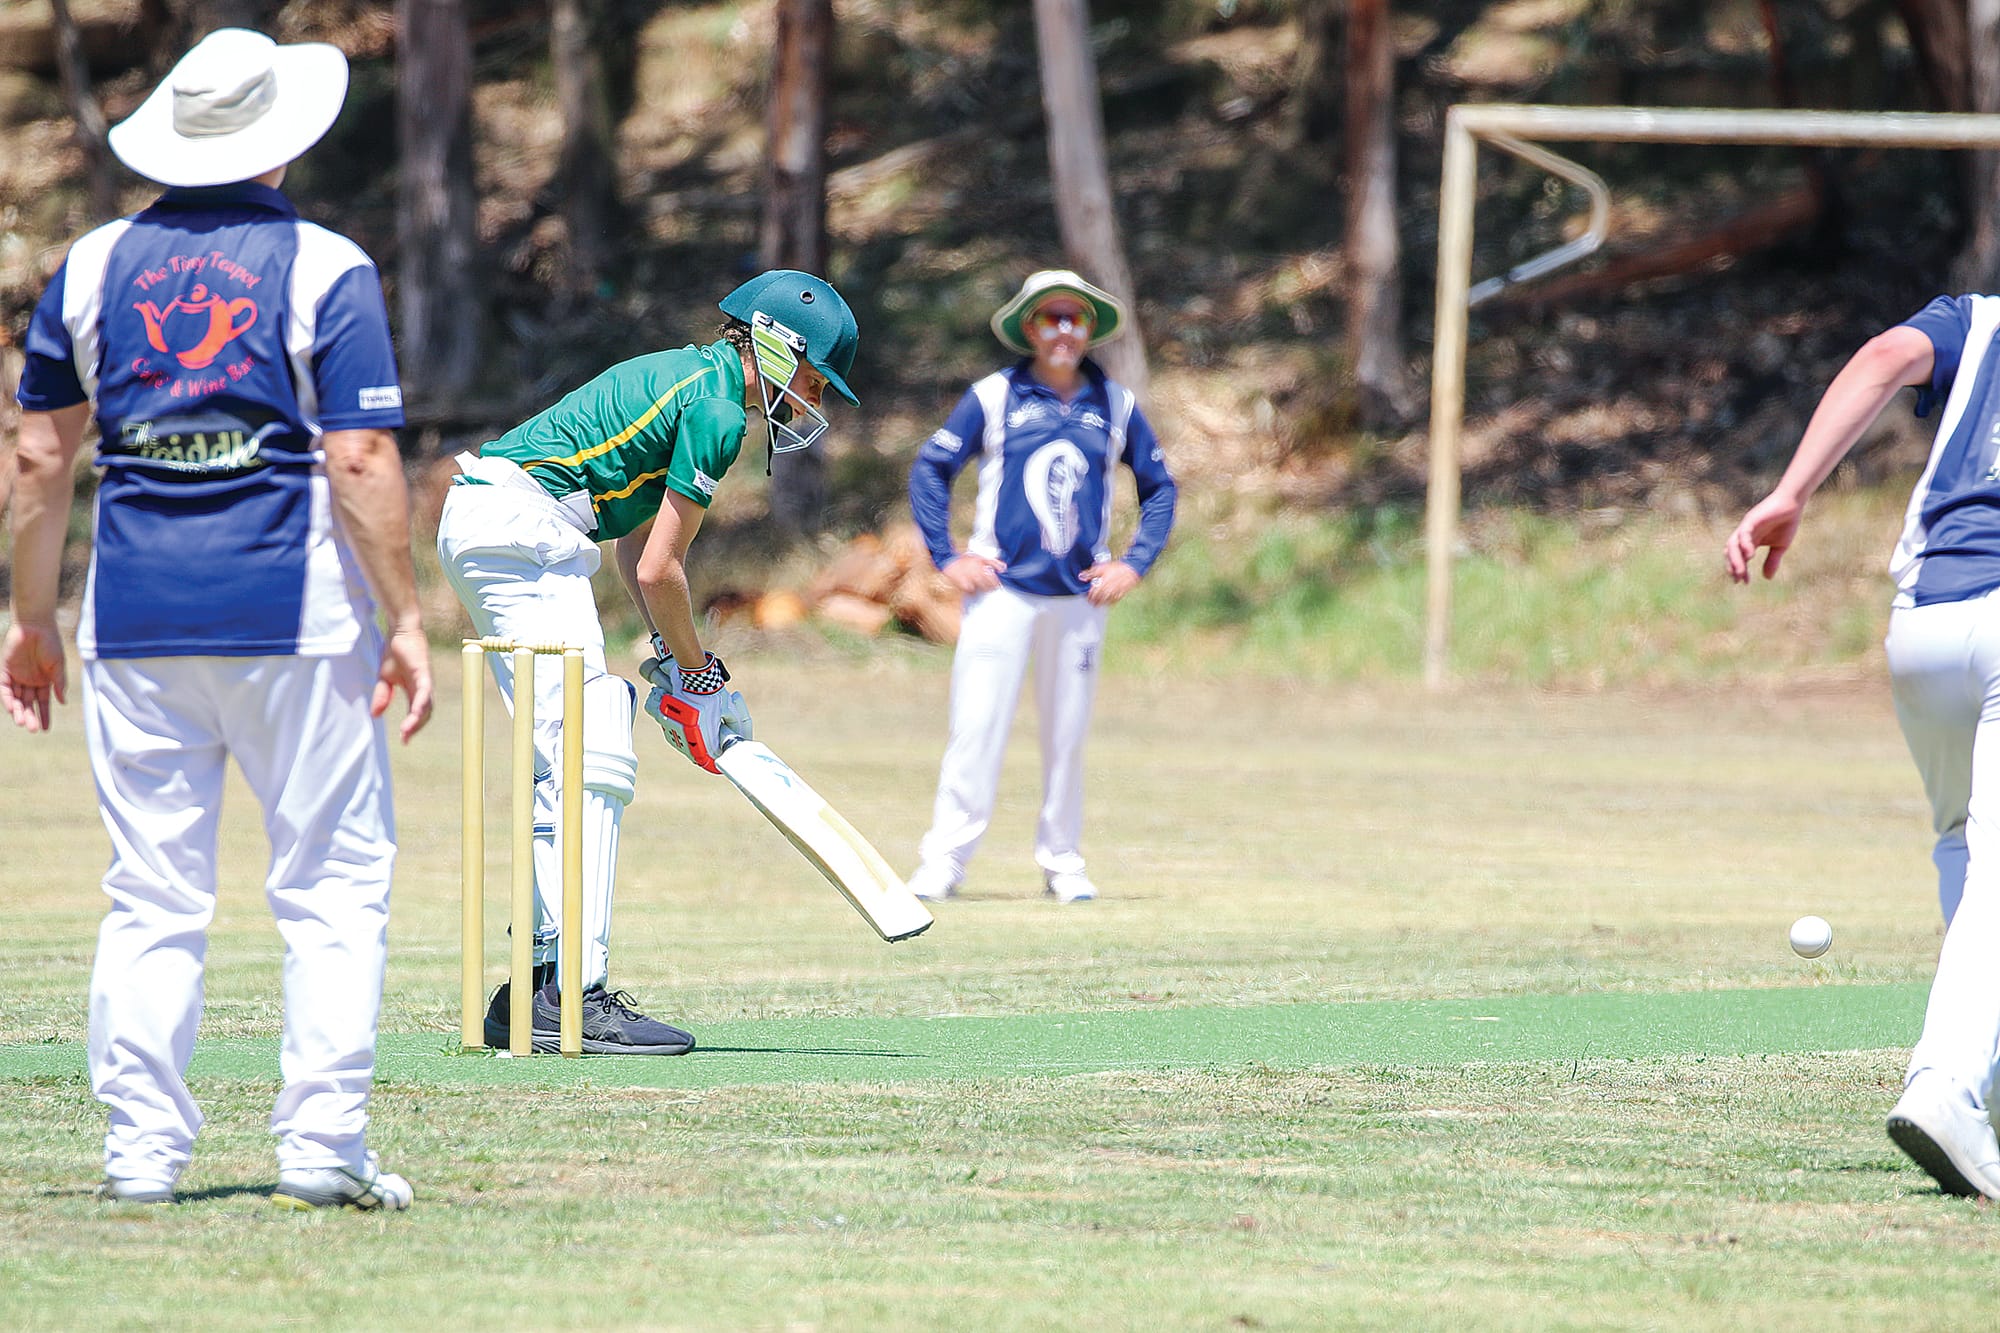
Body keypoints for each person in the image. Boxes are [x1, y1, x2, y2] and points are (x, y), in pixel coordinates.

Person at [1, 29, 431, 1210]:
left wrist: (28, 616)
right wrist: (405, 614)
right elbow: (358, 456)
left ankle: (141, 1153)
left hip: (132, 615)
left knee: (150, 890)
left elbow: (40, 454)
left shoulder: (89, 267)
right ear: (283, 142)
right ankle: (321, 1146)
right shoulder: (324, 264)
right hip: (289, 614)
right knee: (333, 885)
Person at [435, 269, 860, 1053]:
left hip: (496, 516)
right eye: (813, 376)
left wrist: (672, 657)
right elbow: (664, 569)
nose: (813, 399)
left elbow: (636, 553)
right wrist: (699, 676)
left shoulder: (692, 379)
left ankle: (528, 993)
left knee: (563, 755)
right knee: (594, 736)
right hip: (521, 526)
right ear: (775, 344)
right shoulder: (717, 408)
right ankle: (575, 992)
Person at [1726, 293, 2000, 1201]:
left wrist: (1789, 490)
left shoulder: (1984, 317)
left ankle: (1976, 1074)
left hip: (1926, 624)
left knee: (1966, 842)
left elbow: (1883, 354)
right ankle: (1946, 1084)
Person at [905, 269, 1177, 903]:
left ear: (1089, 330)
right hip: (1002, 593)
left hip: (1079, 598)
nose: (1063, 330)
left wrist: (1133, 563)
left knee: (1068, 733)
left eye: (1075, 319)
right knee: (976, 727)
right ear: (1029, 327)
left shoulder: (1115, 404)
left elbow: (1159, 488)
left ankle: (1063, 862)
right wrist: (947, 556)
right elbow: (932, 467)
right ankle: (944, 860)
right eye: (1051, 318)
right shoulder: (995, 396)